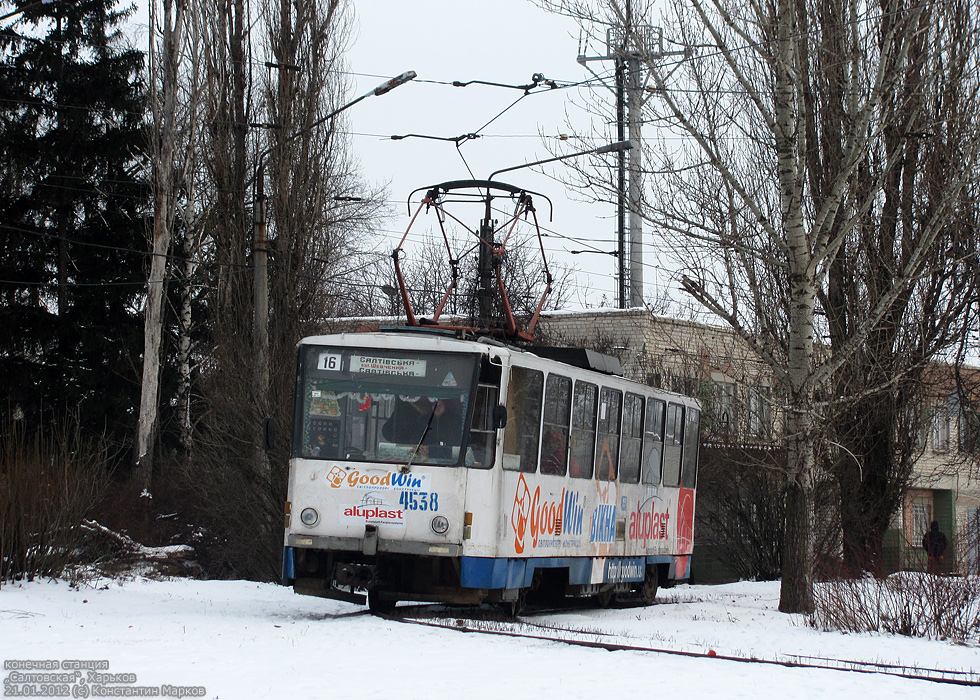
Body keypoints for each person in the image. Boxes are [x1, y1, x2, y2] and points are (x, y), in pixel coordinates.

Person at [382, 396, 463, 449]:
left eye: (439, 405)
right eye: (434, 405)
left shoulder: (454, 422)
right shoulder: (423, 422)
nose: (436, 408)